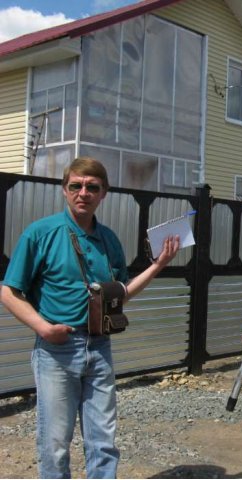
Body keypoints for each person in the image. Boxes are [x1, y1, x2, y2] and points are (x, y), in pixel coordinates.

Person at [0, 157, 179, 479]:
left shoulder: (109, 239)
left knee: (103, 440)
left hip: (100, 347)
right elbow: (9, 291)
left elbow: (120, 292)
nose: (84, 193)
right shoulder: (40, 234)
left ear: (103, 193)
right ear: (65, 190)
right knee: (55, 441)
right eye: (76, 186)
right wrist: (43, 327)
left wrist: (158, 265)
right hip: (57, 350)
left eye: (92, 187)